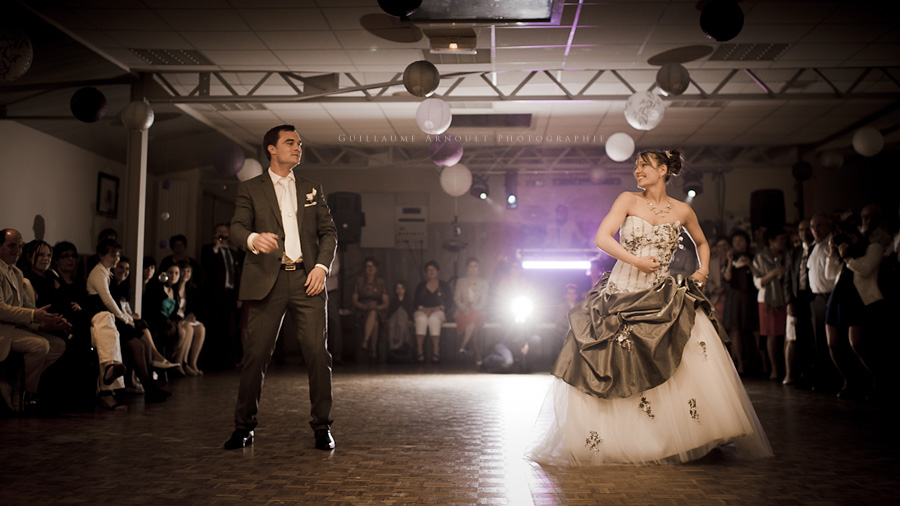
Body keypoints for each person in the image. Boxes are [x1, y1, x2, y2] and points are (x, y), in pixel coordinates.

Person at [526, 149, 772, 466]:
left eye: (644, 165)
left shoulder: (683, 211)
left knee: (677, 356)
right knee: (615, 363)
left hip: (661, 293)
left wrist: (703, 270)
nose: (637, 170)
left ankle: (677, 437)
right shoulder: (628, 200)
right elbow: (602, 237)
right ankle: (624, 439)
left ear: (664, 170)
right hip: (621, 291)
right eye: (636, 165)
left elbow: (702, 242)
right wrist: (636, 261)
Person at [224, 124, 337, 452]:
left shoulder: (312, 187)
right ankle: (244, 427)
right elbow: (236, 227)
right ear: (271, 149)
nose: (297, 147)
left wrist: (321, 266)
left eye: (299, 143)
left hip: (308, 280)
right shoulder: (250, 188)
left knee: (318, 354)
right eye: (290, 142)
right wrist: (252, 238)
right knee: (256, 355)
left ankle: (322, 426)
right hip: (266, 281)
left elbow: (328, 232)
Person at [86, 240, 171, 404]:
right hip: (103, 318)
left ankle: (150, 386)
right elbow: (107, 301)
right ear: (101, 255)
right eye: (112, 255)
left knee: (144, 344)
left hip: (111, 317)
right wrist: (125, 319)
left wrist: (128, 318)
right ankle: (149, 387)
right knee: (138, 346)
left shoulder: (106, 272)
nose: (116, 258)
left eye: (118, 254)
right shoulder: (99, 273)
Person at [0, 228, 69, 412]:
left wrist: (49, 319)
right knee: (40, 345)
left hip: (15, 327)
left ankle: (17, 384)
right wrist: (33, 315)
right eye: (12, 246)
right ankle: (25, 396)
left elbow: (27, 306)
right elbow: (0, 309)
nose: (17, 251)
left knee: (57, 345)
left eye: (20, 246)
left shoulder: (16, 273)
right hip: (2, 329)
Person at [200, 223, 242, 370]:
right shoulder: (208, 250)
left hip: (230, 294)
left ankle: (228, 360)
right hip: (214, 294)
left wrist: (238, 297)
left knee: (229, 327)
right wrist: (216, 247)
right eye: (220, 232)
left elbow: (237, 275)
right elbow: (208, 267)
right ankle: (212, 360)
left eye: (225, 232)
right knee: (214, 325)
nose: (223, 235)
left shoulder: (233, 252)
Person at [752, 227, 788, 380]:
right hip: (768, 300)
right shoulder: (760, 257)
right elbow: (758, 282)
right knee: (772, 335)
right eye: (781, 239)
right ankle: (774, 369)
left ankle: (788, 368)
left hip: (786, 297)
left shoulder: (787, 255)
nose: (784, 242)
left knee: (787, 335)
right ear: (771, 241)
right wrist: (774, 273)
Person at [722, 228, 759, 374]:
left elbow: (758, 275)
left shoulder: (753, 257)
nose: (738, 243)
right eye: (735, 241)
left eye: (741, 240)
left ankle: (758, 362)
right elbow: (727, 278)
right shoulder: (730, 258)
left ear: (747, 242)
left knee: (754, 327)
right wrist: (730, 260)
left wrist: (750, 264)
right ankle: (739, 364)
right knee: (735, 328)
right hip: (734, 296)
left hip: (750, 295)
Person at [413, 260, 453, 364]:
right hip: (423, 311)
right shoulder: (421, 286)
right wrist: (423, 309)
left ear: (438, 271)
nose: (431, 272)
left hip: (438, 311)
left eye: (433, 270)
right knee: (421, 319)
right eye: (428, 270)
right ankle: (420, 351)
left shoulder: (444, 285)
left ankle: (436, 351)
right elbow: (416, 302)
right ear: (426, 273)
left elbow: (449, 302)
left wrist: (438, 308)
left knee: (433, 319)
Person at [351, 257, 388, 360]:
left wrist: (376, 307)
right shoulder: (359, 281)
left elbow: (385, 303)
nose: (370, 268)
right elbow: (354, 299)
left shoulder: (381, 282)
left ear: (376, 268)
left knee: (374, 314)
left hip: (377, 310)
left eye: (372, 266)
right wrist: (364, 306)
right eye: (368, 266)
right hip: (362, 310)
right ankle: (373, 351)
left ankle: (365, 342)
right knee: (374, 322)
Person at [454, 257, 489, 365]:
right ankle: (477, 354)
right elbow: (456, 298)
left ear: (479, 268)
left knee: (474, 319)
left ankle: (463, 346)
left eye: (475, 266)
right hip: (463, 310)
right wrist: (465, 309)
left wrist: (473, 308)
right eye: (470, 266)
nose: (473, 269)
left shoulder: (484, 283)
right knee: (473, 325)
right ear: (467, 268)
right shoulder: (461, 281)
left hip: (478, 310)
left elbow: (484, 301)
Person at [174, 260, 206, 376]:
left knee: (201, 328)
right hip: (176, 319)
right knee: (189, 328)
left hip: (184, 318)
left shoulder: (190, 289)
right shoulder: (174, 288)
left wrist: (191, 315)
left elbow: (191, 308)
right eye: (183, 271)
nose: (186, 273)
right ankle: (182, 362)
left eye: (188, 271)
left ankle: (193, 363)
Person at [386, 281, 414, 360]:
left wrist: (410, 319)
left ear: (405, 289)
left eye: (402, 288)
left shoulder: (408, 299)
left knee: (401, 324)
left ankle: (400, 345)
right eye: (397, 288)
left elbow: (410, 310)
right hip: (394, 317)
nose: (399, 290)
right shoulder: (394, 299)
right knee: (391, 326)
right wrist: (388, 318)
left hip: (404, 318)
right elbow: (391, 310)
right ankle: (393, 346)